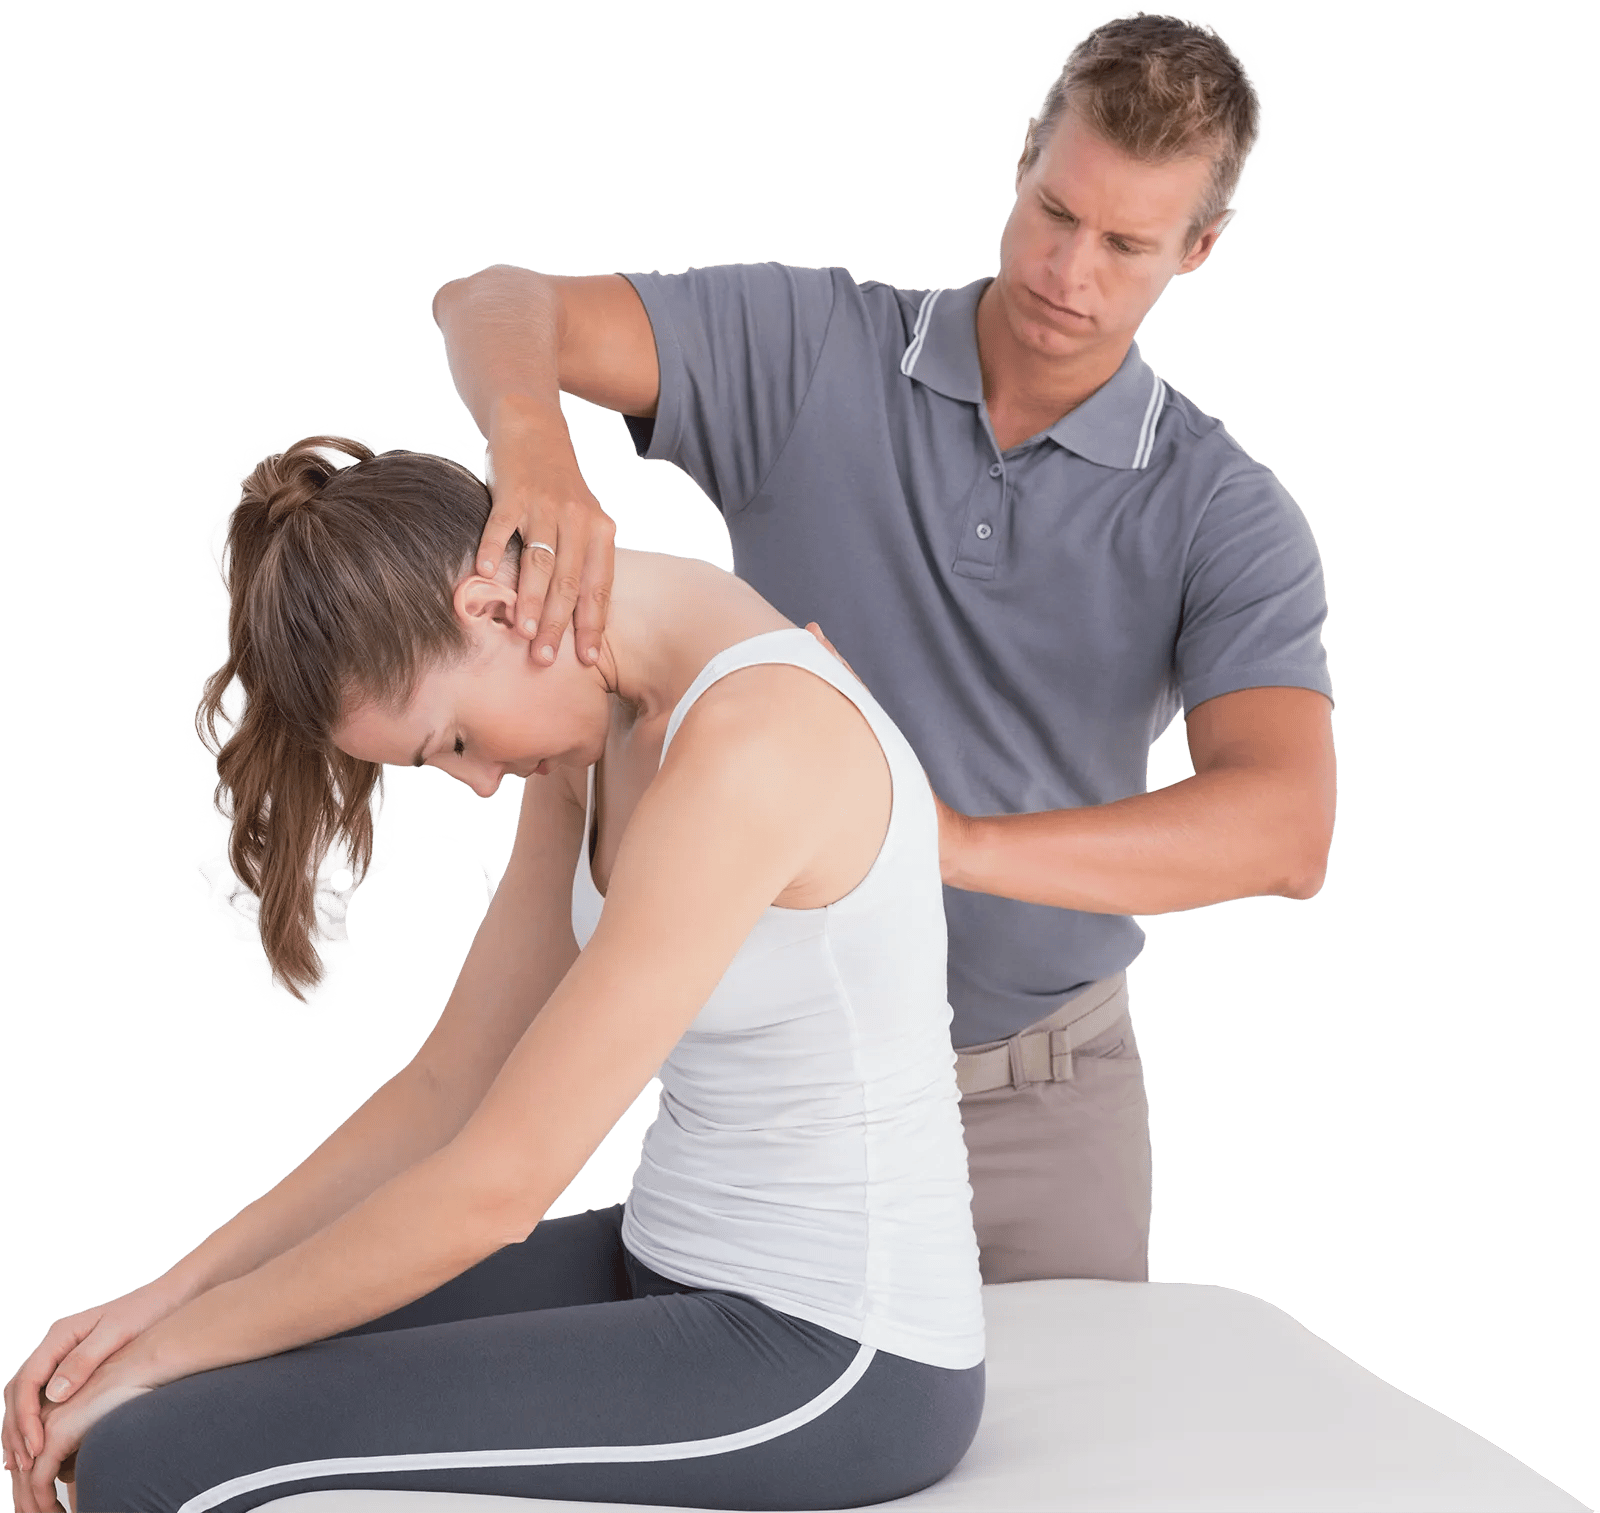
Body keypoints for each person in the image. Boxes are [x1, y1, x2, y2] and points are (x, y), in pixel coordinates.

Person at [427, 6, 1338, 1288]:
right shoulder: (810, 354)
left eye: (1125, 245)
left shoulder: (1223, 512)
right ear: (1023, 156)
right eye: (1055, 213)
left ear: (1197, 248)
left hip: (1041, 1108)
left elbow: (1282, 832)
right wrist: (532, 444)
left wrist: (943, 839)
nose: (1068, 274)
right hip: (777, 1088)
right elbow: (496, 302)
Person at [1, 434, 985, 1513]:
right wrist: (161, 1307)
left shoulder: (754, 745)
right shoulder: (596, 715)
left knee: (157, 1459)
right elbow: (449, 1086)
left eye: (453, 739)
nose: (476, 784)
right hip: (664, 1259)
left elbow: (498, 1188)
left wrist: (163, 1358)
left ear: (493, 606)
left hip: (834, 1352)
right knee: (146, 1406)